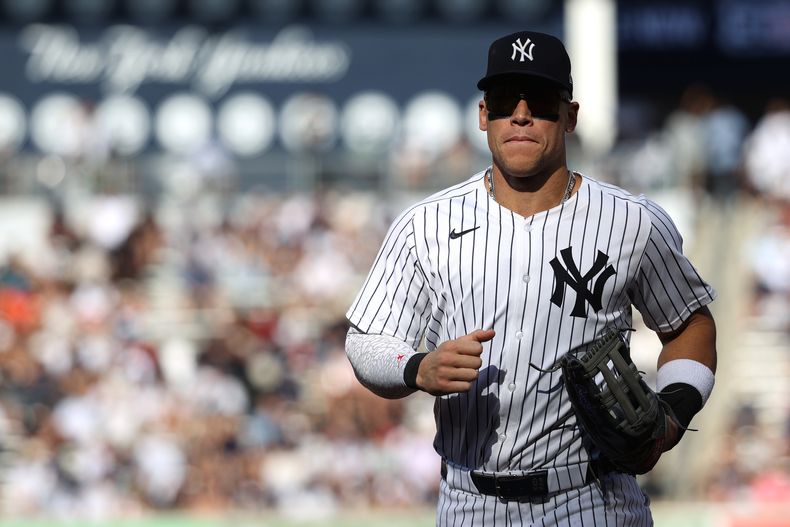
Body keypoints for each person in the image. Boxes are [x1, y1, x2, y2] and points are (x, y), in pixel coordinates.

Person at [345, 31, 717, 525]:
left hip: (593, 497)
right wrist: (417, 367)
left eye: (539, 100)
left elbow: (690, 325)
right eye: (504, 101)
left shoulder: (631, 221)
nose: (520, 114)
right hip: (468, 498)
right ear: (484, 116)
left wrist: (673, 412)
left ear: (570, 114)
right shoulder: (424, 225)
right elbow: (366, 342)